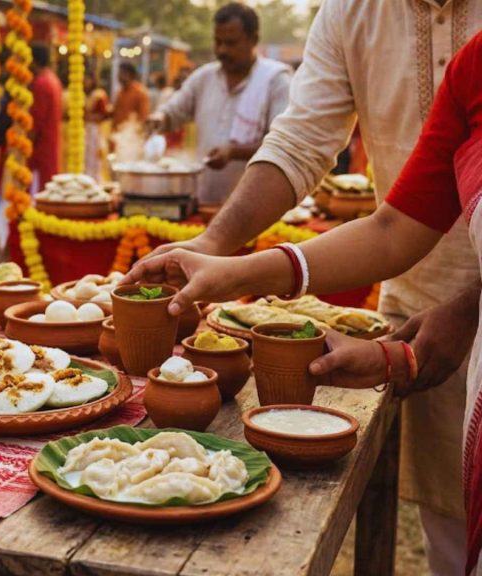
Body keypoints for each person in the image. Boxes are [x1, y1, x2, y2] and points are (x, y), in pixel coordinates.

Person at [136, 1, 482, 572]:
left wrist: (471, 307)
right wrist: (222, 255)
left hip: (465, 317)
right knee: (455, 535)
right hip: (422, 318)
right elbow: (393, 228)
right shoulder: (457, 65)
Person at [148, 3, 290, 204]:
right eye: (218, 42)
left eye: (231, 43)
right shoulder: (204, 77)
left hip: (256, 204)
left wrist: (234, 152)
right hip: (204, 197)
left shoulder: (275, 80)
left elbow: (282, 143)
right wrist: (159, 118)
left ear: (253, 40)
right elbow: (174, 110)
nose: (222, 50)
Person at [28, 43, 63, 189]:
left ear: (33, 61)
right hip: (50, 145)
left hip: (40, 149)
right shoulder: (53, 79)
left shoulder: (41, 83)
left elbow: (36, 122)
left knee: (38, 193)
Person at [84, 73, 110, 180]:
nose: (85, 83)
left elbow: (104, 115)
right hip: (85, 130)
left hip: (95, 130)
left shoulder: (99, 95)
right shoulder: (83, 95)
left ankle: (96, 179)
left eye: (87, 80)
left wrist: (90, 118)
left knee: (96, 157)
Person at [111, 62, 149, 132]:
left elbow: (143, 118)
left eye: (120, 73)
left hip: (131, 136)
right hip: (117, 134)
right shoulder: (120, 92)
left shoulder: (140, 92)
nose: (118, 76)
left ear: (128, 74)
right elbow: (115, 113)